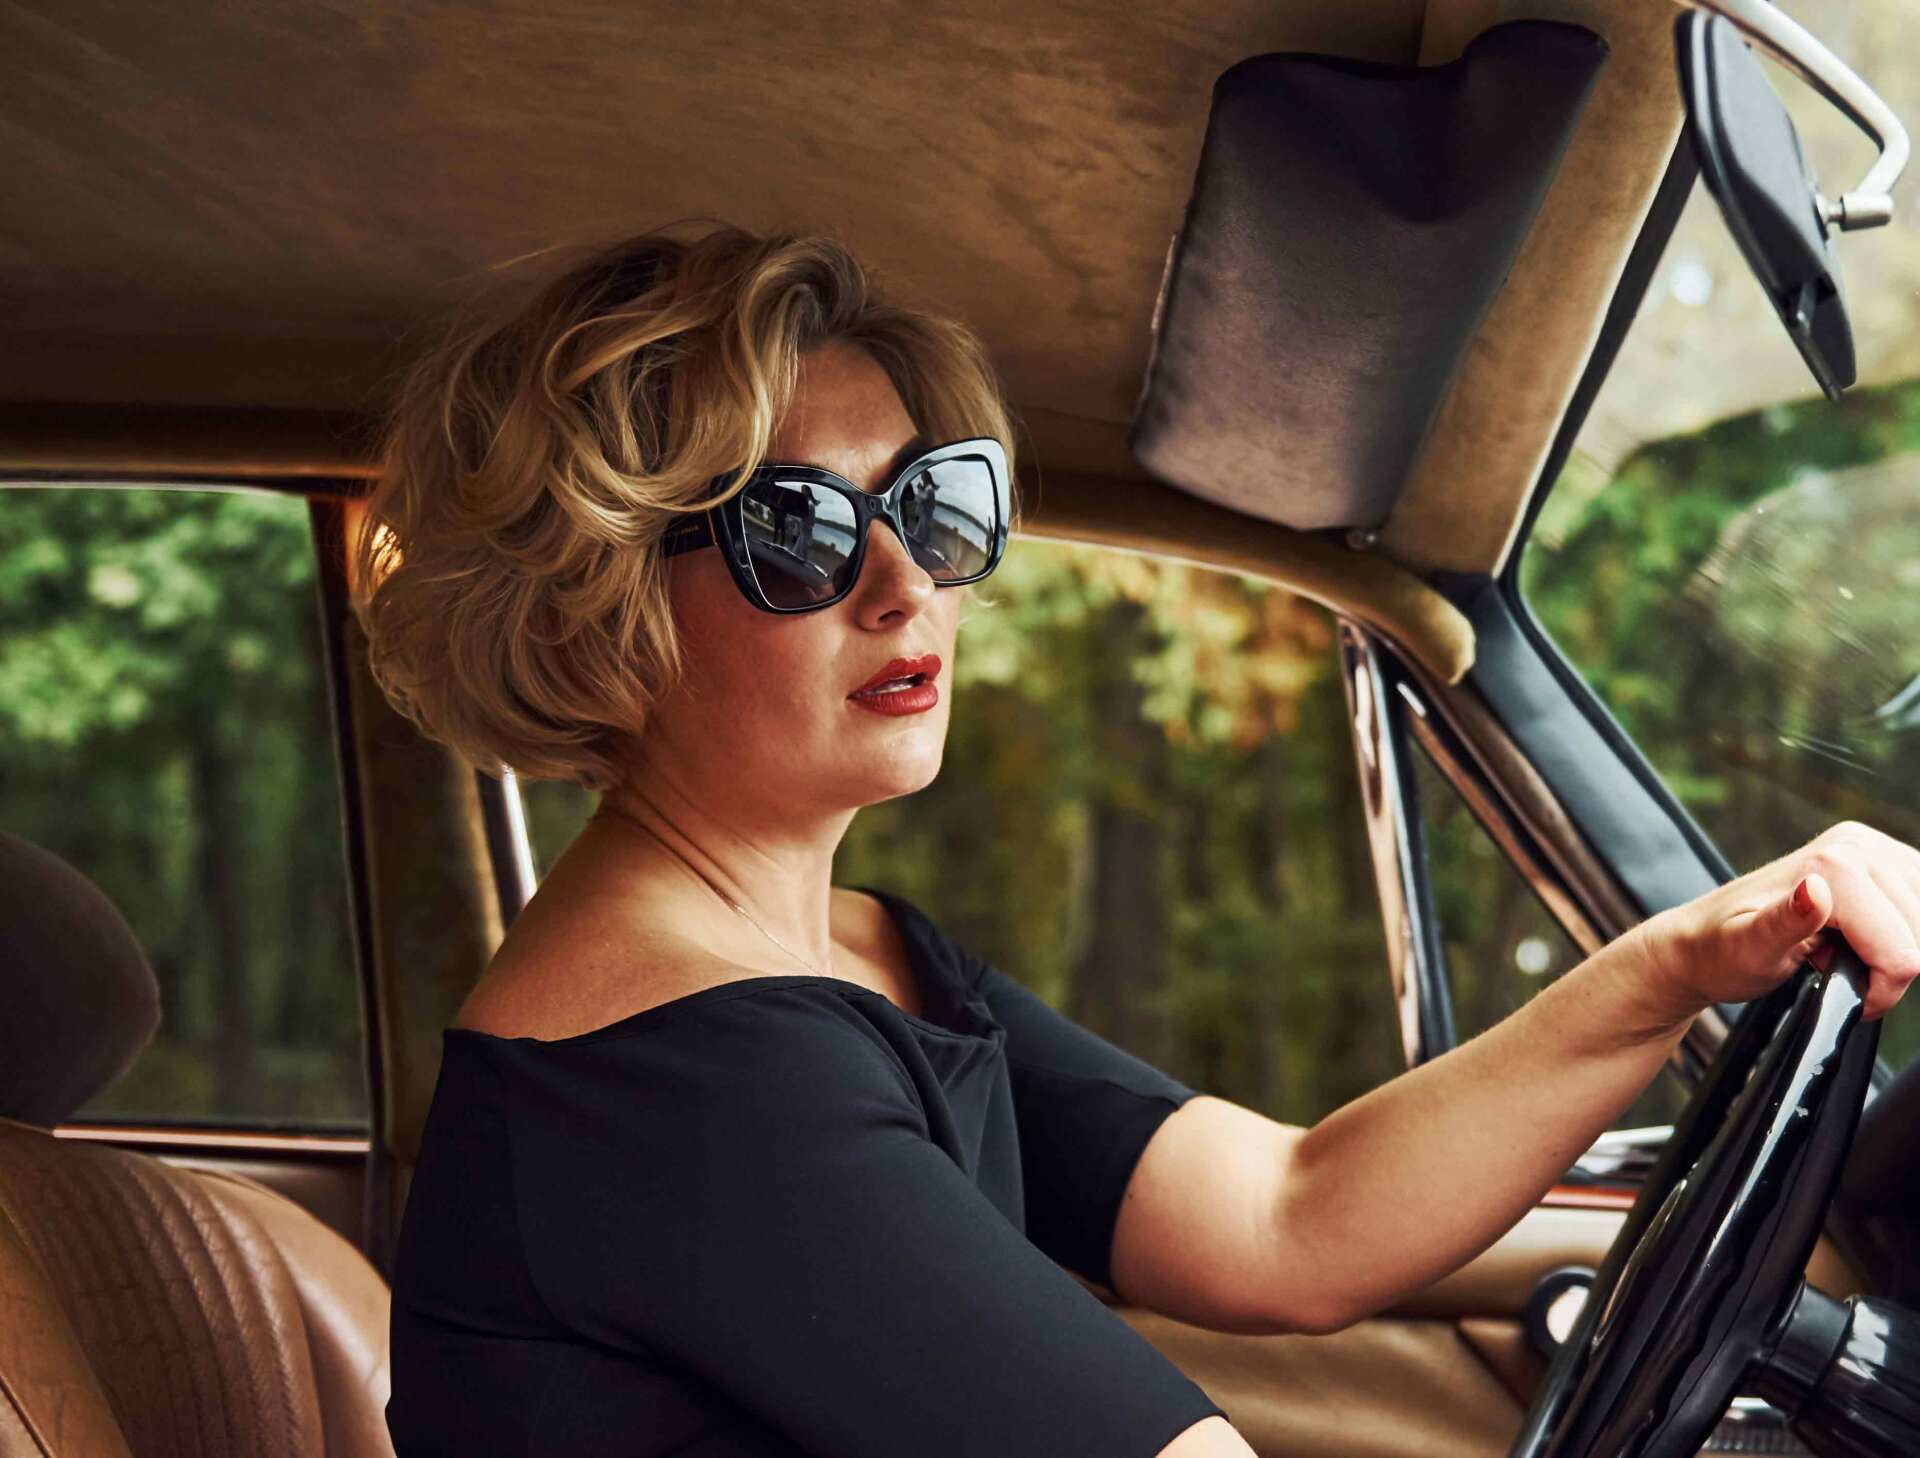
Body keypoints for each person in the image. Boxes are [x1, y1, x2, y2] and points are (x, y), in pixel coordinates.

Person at [354, 221, 1920, 1458]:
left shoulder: (855, 953)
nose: (906, 583)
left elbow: (1290, 1217)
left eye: (934, 502)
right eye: (798, 531)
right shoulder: (676, 1077)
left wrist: (1678, 964)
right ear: (601, 611)